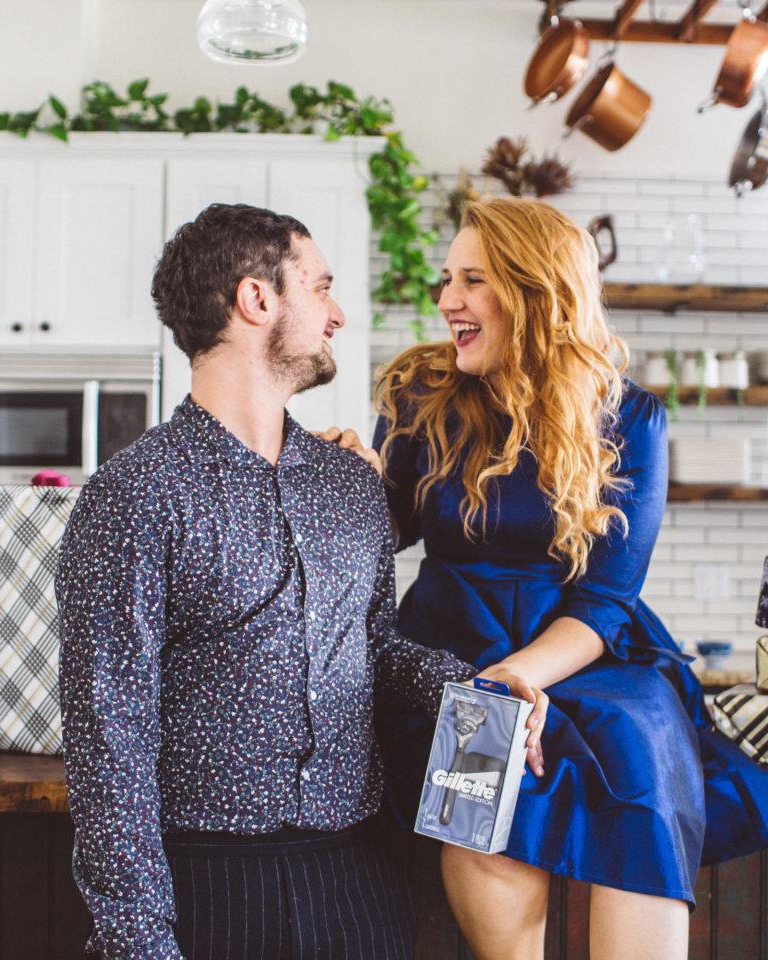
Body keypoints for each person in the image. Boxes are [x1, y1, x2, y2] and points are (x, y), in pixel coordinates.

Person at [54, 202, 548, 960]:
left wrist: (475, 688)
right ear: (257, 300)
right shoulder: (134, 494)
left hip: (360, 878)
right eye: (320, 287)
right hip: (206, 885)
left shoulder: (351, 486)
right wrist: (138, 943)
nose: (338, 312)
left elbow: (374, 649)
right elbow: (106, 740)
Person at [339, 196, 768, 960]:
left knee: (638, 754)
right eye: (449, 279)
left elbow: (605, 598)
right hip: (453, 643)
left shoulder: (630, 419)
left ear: (534, 291)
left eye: (473, 280)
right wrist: (346, 480)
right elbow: (386, 530)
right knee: (476, 770)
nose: (448, 300)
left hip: (585, 651)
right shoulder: (421, 391)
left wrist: (515, 674)